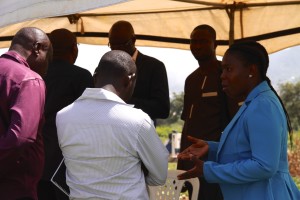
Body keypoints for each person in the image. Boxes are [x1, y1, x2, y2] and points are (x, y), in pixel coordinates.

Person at [177, 41, 300, 200]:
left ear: (251, 70)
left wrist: (210, 170)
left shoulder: (262, 105)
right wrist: (211, 148)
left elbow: (264, 166)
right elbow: (247, 148)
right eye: (222, 70)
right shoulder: (253, 103)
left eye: (229, 69)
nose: (222, 76)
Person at [56, 50, 169, 199]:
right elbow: (160, 175)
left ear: (95, 77)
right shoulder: (138, 120)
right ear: (129, 80)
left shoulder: (63, 116)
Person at [177, 24, 239, 200]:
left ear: (215, 43)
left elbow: (234, 119)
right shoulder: (191, 79)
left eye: (203, 41)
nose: (197, 46)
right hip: (191, 158)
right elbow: (187, 122)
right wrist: (182, 161)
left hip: (216, 159)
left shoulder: (225, 75)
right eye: (193, 41)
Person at [37, 28, 94, 200]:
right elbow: (90, 119)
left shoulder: (36, 75)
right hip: (69, 163)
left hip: (38, 159)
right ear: (73, 49)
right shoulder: (82, 77)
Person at [0, 27, 52, 200]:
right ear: (37, 48)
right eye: (48, 56)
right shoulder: (29, 79)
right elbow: (20, 139)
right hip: (14, 187)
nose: (47, 65)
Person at [108, 20, 170, 125]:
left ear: (133, 40)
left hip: (140, 134)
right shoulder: (106, 67)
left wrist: (124, 101)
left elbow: (162, 109)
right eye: (112, 45)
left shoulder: (154, 67)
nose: (116, 49)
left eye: (122, 44)